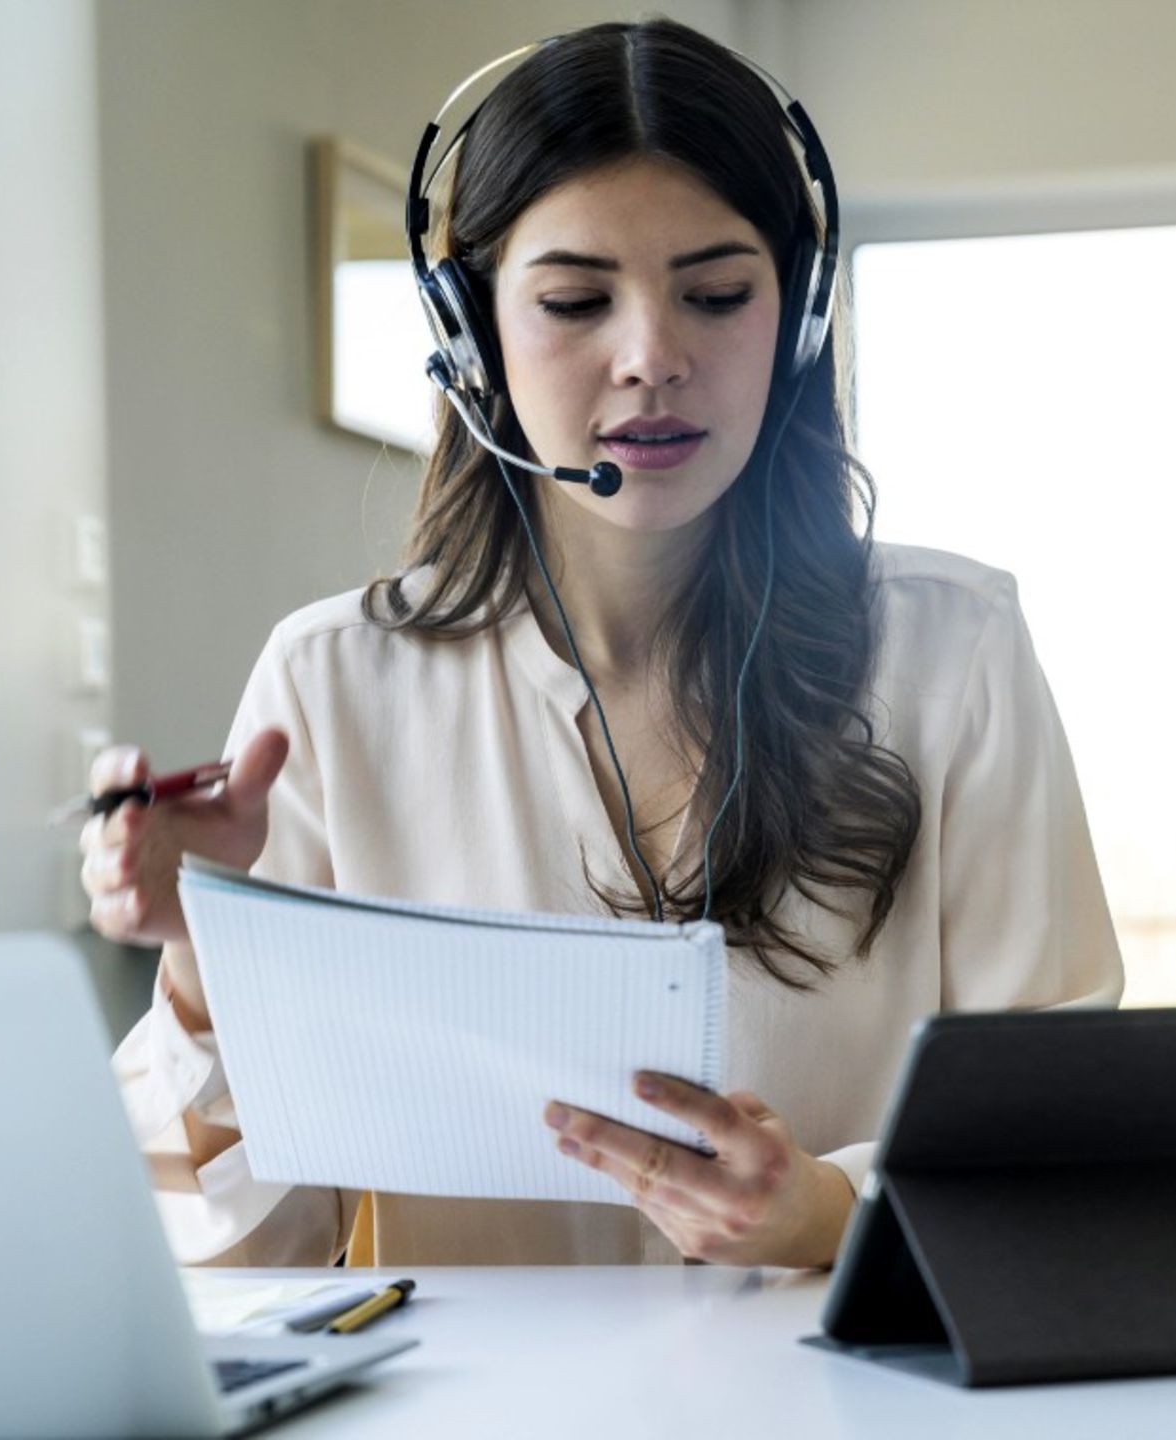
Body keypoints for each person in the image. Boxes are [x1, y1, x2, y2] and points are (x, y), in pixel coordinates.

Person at [84, 19, 1122, 1270]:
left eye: (719, 294)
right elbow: (225, 1259)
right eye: (576, 300)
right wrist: (209, 960)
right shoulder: (329, 686)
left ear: (795, 321)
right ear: (470, 337)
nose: (653, 360)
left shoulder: (957, 656)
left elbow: (1059, 1152)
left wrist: (826, 1217)